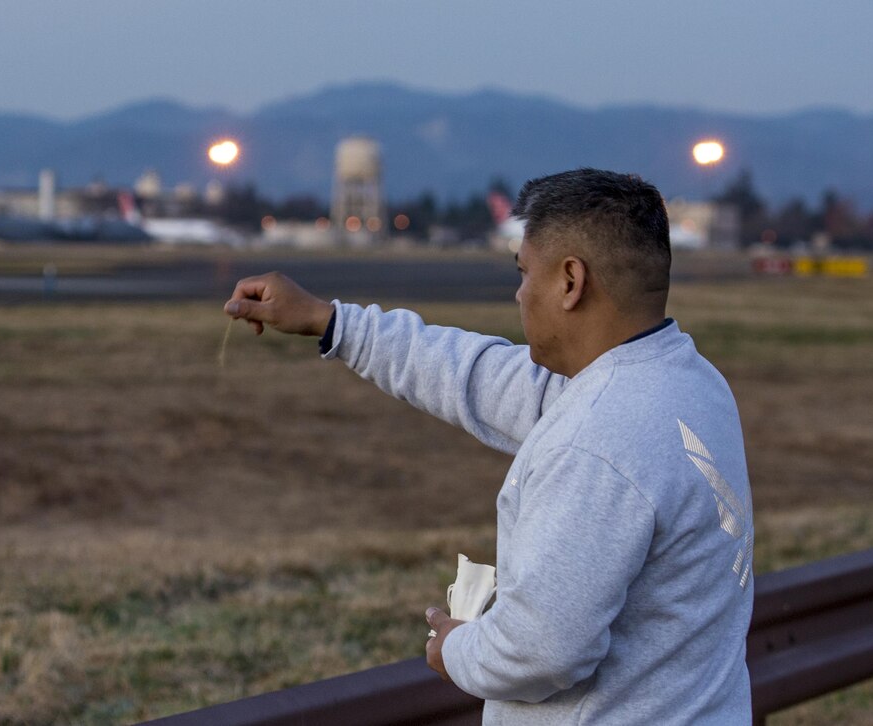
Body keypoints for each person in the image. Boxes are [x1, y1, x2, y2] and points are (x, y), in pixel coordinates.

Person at [223, 168, 753, 725]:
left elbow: (541, 649)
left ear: (571, 281)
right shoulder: (688, 382)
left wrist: (456, 648)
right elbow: (474, 375)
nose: (519, 293)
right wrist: (329, 322)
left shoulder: (595, 440)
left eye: (524, 272)